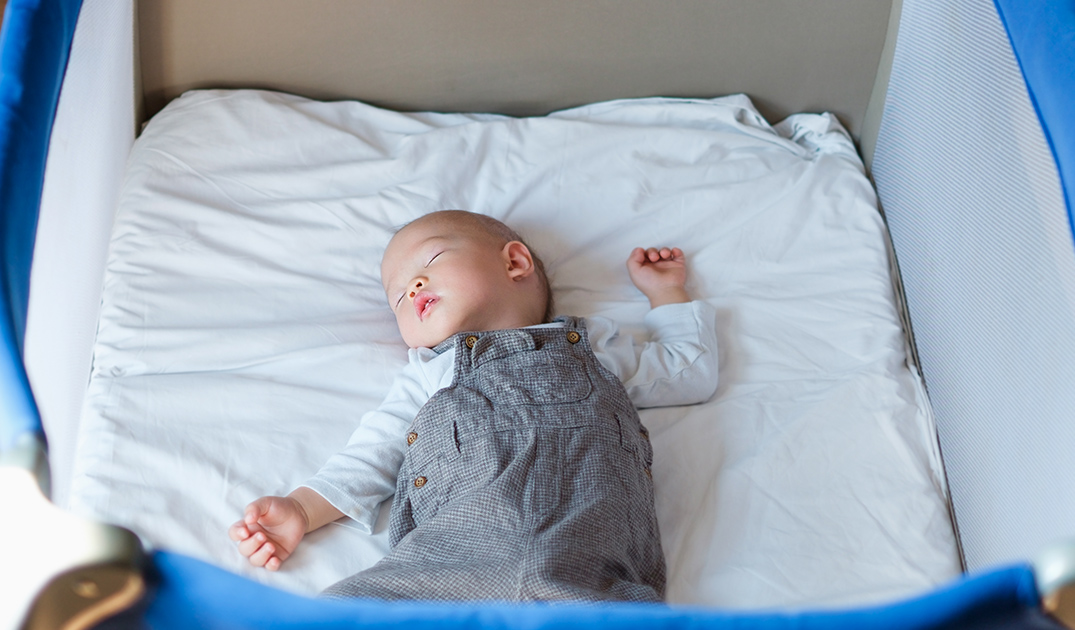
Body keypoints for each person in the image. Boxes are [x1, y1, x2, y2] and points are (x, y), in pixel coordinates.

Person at [229, 210, 718, 602]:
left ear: (515, 263)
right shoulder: (428, 375)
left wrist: (667, 293)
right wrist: (302, 508)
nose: (412, 288)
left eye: (431, 260)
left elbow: (686, 372)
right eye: (397, 296)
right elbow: (373, 450)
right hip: (448, 560)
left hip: (586, 560)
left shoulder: (592, 348)